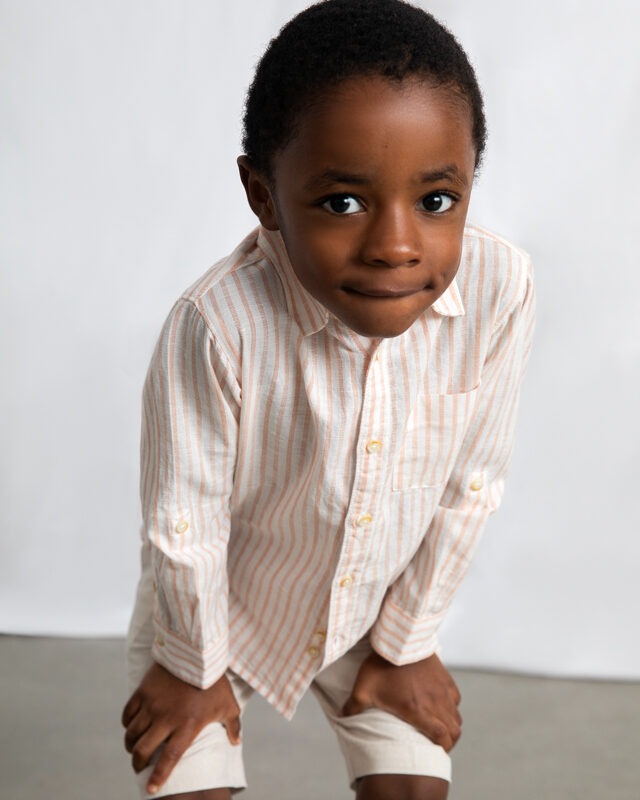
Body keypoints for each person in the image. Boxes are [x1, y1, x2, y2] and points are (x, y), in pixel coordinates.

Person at [121, 1, 535, 798]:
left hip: (375, 614)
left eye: (437, 201)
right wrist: (191, 667)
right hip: (218, 610)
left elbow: (472, 485)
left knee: (414, 789)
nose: (396, 246)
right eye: (343, 202)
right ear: (263, 195)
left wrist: (406, 644)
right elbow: (184, 522)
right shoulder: (215, 325)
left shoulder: (502, 289)